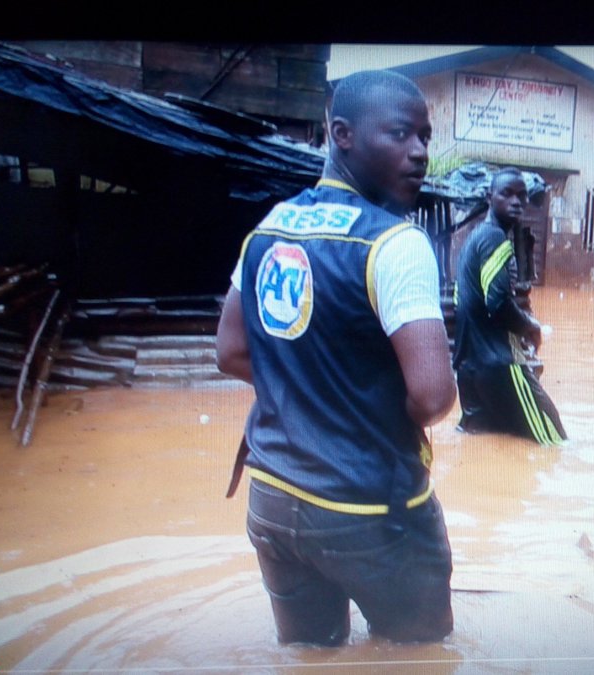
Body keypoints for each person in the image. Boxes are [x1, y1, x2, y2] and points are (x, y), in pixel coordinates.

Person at [215, 69, 456, 646]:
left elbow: (229, 352)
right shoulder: (396, 244)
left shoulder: (268, 229)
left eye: (425, 136)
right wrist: (355, 406)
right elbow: (433, 397)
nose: (420, 153)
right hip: (371, 509)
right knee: (421, 655)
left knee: (308, 656)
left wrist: (311, 393)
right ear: (342, 134)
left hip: (271, 497)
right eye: (400, 135)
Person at [451, 167, 567, 446]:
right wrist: (531, 327)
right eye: (507, 194)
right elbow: (498, 303)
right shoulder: (494, 239)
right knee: (553, 441)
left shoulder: (475, 238)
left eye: (522, 196)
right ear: (491, 197)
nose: (517, 201)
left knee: (481, 446)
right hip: (499, 365)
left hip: (469, 368)